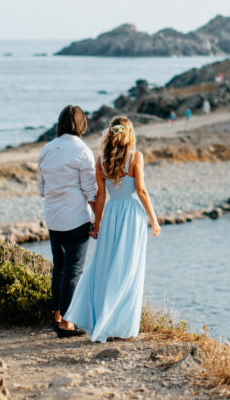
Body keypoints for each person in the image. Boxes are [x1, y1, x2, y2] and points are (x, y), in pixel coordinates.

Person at [65, 116, 161, 342]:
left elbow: (100, 196)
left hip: (112, 215)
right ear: (130, 134)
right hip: (132, 217)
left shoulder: (101, 162)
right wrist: (154, 219)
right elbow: (141, 191)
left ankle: (102, 320)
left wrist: (97, 224)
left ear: (111, 134)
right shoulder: (136, 157)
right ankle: (121, 325)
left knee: (106, 267)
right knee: (128, 268)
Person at [37, 105, 96, 338]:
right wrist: (98, 221)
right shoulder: (83, 150)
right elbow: (91, 191)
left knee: (59, 267)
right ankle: (67, 325)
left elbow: (41, 187)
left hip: (53, 217)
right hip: (76, 217)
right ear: (81, 124)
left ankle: (58, 318)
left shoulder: (47, 149)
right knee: (73, 269)